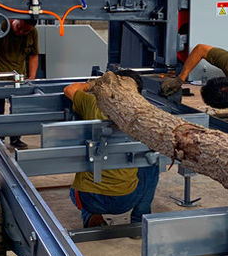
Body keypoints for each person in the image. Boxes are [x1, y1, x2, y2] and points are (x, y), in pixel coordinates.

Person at [63, 70, 160, 228]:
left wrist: (93, 84)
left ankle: (92, 216)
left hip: (88, 198)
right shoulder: (146, 113)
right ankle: (139, 219)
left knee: (86, 159)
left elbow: (69, 89)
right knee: (151, 160)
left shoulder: (92, 103)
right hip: (127, 199)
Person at [0, 18, 39, 149]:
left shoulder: (32, 32)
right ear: (14, 20)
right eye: (19, 27)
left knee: (19, 108)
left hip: (18, 75)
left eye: (26, 31)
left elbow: (33, 55)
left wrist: (32, 76)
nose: (21, 32)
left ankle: (15, 138)